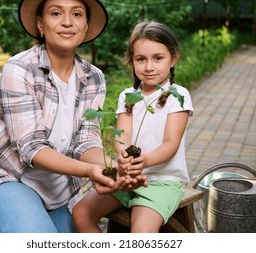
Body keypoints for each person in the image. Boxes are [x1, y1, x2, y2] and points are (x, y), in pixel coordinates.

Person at [0, 0, 145, 233]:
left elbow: (85, 141)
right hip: (8, 179)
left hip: (57, 190)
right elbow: (31, 148)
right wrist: (89, 170)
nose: (67, 22)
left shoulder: (93, 78)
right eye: (56, 13)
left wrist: (111, 167)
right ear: (41, 24)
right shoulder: (19, 70)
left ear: (86, 26)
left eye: (77, 14)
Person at [73, 20, 194, 233]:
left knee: (141, 234)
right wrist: (123, 154)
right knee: (81, 212)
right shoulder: (128, 96)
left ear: (173, 59)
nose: (148, 67)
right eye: (141, 59)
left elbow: (171, 144)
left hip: (160, 182)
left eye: (158, 58)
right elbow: (123, 135)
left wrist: (144, 160)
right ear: (132, 61)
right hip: (126, 176)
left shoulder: (178, 95)